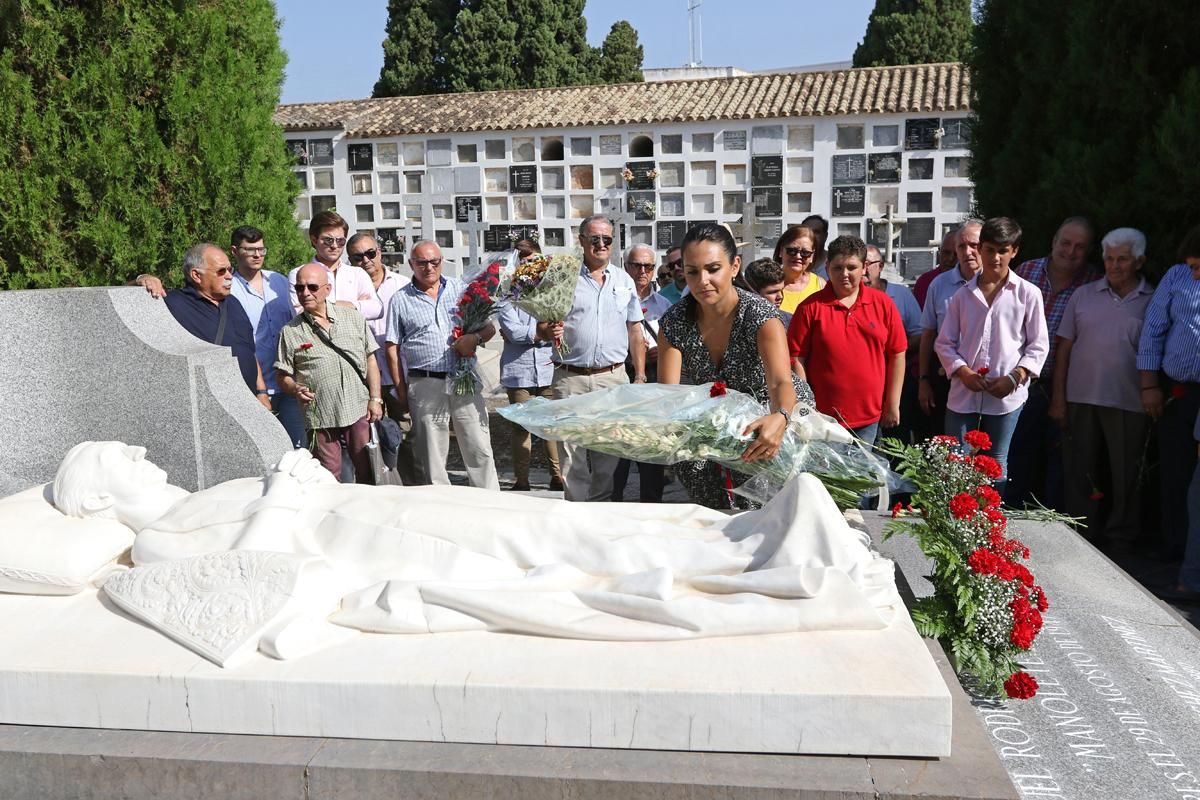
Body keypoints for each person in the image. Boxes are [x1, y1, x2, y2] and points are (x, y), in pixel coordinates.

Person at [50, 441, 898, 642]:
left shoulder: (195, 492)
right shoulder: (157, 545)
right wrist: (283, 486)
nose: (137, 453)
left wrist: (293, 481)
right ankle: (763, 562)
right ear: (99, 492)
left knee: (551, 519)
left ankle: (751, 536)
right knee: (546, 553)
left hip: (388, 506)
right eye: (116, 458)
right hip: (375, 548)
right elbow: (252, 579)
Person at [658, 223, 815, 509]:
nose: (703, 280)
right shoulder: (674, 322)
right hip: (713, 421)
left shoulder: (760, 315)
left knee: (774, 509)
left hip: (770, 414)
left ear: (734, 266)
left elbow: (781, 382)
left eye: (713, 268)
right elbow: (671, 395)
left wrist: (780, 417)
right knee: (704, 487)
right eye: (693, 271)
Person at [1049, 228, 1153, 551]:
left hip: (1129, 400)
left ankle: (1122, 537)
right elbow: (1063, 348)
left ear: (1139, 261)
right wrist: (1058, 398)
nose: (1114, 265)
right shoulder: (1084, 294)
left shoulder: (1152, 299)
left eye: (1123, 259)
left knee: (1126, 476)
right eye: (1109, 258)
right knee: (1080, 470)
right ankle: (1081, 533)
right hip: (1080, 398)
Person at [935, 217, 1048, 497]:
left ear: (1014, 251)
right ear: (980, 249)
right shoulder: (963, 295)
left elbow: (1038, 345)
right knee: (956, 460)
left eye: (1003, 250)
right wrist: (963, 372)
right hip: (964, 391)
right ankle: (955, 519)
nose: (995, 257)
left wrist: (1015, 377)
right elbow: (944, 342)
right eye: (989, 249)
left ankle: (989, 521)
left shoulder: (1028, 294)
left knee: (996, 463)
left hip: (1007, 394)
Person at [385, 240, 500, 490]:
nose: (429, 267)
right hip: (425, 382)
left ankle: (490, 499)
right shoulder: (400, 300)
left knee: (478, 444)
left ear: (441, 261)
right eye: (422, 262)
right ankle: (439, 503)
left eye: (434, 261)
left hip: (463, 378)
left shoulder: (462, 290)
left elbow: (489, 327)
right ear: (411, 264)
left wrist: (474, 338)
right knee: (432, 452)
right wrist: (401, 390)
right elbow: (392, 348)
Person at [546, 215, 646, 502]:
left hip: (612, 377)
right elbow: (542, 327)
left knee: (607, 450)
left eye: (607, 239)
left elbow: (635, 328)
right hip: (571, 377)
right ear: (582, 241)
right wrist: (548, 328)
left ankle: (600, 507)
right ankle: (576, 509)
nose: (601, 245)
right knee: (572, 452)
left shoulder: (624, 279)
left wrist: (639, 375)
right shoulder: (563, 277)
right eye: (595, 239)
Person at [1007, 217, 1101, 509]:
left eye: (1079, 247)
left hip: (1069, 385)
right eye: (1065, 243)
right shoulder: (1026, 271)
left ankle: (1054, 520)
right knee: (1019, 453)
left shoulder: (1094, 282)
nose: (1070, 252)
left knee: (1061, 457)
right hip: (1024, 381)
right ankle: (1012, 514)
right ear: (1054, 242)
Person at [789, 236, 906, 445]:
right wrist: (806, 407)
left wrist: (893, 403)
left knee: (865, 476)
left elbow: (897, 353)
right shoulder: (810, 308)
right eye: (837, 267)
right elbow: (797, 357)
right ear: (827, 267)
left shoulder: (883, 304)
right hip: (824, 420)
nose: (844, 274)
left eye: (851, 267)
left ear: (864, 268)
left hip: (870, 418)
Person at [275, 264, 383, 482]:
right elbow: (282, 375)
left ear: (327, 289)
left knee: (367, 468)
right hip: (319, 414)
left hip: (357, 407)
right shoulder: (290, 331)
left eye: (312, 287)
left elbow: (371, 359)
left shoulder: (352, 318)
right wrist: (295, 388)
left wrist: (376, 398)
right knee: (326, 475)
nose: (305, 293)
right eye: (300, 288)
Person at [1138, 224, 1200, 560]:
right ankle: (1175, 546)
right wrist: (1149, 385)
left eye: (1199, 266)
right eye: (1192, 266)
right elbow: (1153, 330)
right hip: (1179, 394)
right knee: (1176, 471)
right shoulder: (1177, 277)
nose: (1195, 274)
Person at [348, 232, 421, 486]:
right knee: (365, 435)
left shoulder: (402, 285)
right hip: (364, 377)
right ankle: (377, 486)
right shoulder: (348, 288)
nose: (366, 261)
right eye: (357, 257)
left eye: (370, 253)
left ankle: (411, 486)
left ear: (379, 252)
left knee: (407, 433)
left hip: (398, 372)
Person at [164, 243, 271, 410]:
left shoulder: (233, 303)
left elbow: (248, 350)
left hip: (249, 403)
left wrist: (261, 392)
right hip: (209, 407)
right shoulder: (174, 304)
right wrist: (142, 279)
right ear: (196, 275)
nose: (229, 276)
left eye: (230, 270)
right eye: (221, 271)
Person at [227, 226, 306, 448]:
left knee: (298, 449)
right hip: (254, 386)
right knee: (267, 450)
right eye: (250, 250)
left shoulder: (279, 282)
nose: (257, 255)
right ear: (235, 251)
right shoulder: (229, 289)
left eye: (261, 250)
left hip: (288, 381)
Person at [497, 240, 563, 492]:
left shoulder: (552, 292)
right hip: (519, 370)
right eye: (523, 261)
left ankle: (558, 476)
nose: (528, 266)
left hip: (548, 367)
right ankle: (521, 479)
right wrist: (540, 332)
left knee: (550, 426)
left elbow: (559, 326)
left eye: (533, 260)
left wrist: (548, 331)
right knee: (521, 427)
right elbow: (513, 331)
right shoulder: (507, 294)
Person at [612, 244, 670, 503]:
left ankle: (651, 500)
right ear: (626, 267)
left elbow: (675, 343)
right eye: (637, 265)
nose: (643, 271)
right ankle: (612, 498)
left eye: (649, 266)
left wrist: (661, 351)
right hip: (622, 374)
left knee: (651, 443)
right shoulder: (614, 299)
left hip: (654, 377)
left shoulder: (665, 305)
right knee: (617, 443)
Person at [918, 220, 982, 441]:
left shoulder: (998, 284)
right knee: (944, 444)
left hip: (984, 379)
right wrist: (923, 380)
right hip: (942, 376)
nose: (968, 252)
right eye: (962, 246)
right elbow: (928, 334)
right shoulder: (939, 284)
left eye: (974, 245)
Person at [864, 244, 922, 444]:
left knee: (897, 438)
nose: (864, 270)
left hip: (897, 376)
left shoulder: (901, 294)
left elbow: (919, 333)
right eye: (859, 264)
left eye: (868, 264)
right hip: (866, 381)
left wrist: (896, 352)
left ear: (879, 267)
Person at [288, 210, 382, 322]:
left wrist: (328, 306)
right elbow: (301, 314)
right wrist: (357, 306)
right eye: (328, 240)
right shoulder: (299, 274)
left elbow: (377, 309)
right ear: (314, 240)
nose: (334, 245)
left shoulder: (357, 273)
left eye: (340, 241)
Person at [775, 225, 827, 315]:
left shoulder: (820, 285)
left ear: (812, 256)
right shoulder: (767, 284)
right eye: (791, 250)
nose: (798, 256)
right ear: (780, 251)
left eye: (805, 253)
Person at [913, 228, 959, 309]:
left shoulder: (972, 281)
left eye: (956, 254)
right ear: (939, 252)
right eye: (946, 253)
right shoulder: (925, 281)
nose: (950, 258)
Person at [737, 257, 789, 323]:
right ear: (753, 292)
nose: (780, 297)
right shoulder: (736, 323)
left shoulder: (790, 321)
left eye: (782, 290)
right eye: (772, 292)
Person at [801, 214, 830, 279]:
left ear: (825, 236)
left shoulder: (835, 262)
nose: (812, 235)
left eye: (816, 232)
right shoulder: (795, 262)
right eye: (807, 231)